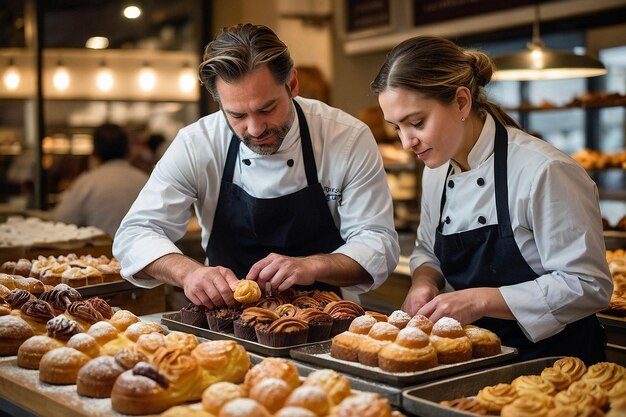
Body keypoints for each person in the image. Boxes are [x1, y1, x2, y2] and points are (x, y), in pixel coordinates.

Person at [113, 23, 399, 309]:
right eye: (236, 115)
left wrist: (313, 265)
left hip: (328, 319)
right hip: (224, 322)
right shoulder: (197, 143)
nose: (255, 128)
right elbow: (135, 234)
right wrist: (188, 272)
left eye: (267, 109)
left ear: (293, 84)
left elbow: (378, 243)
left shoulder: (346, 138)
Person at [371, 35, 612, 363]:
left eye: (416, 122)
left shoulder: (544, 170)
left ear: (460, 102)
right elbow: (428, 250)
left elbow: (588, 285)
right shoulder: (437, 170)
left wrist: (482, 300)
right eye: (396, 127)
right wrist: (424, 282)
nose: (406, 142)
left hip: (554, 365)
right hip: (472, 359)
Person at [52, 123, 149, 238]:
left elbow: (61, 220)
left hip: (102, 253)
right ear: (128, 151)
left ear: (94, 153)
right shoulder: (146, 180)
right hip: (145, 253)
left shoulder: (87, 182)